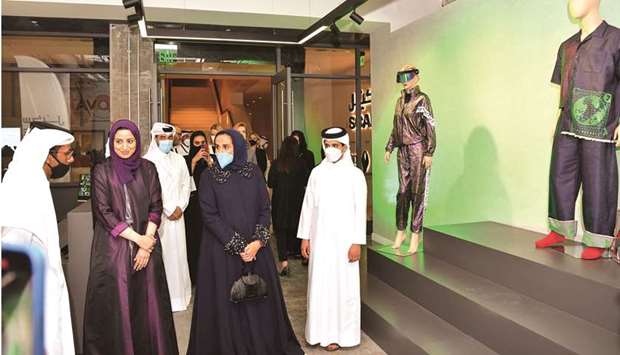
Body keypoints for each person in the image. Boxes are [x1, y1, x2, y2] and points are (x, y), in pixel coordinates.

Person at [187, 129, 302, 355]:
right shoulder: (209, 176)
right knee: (227, 304)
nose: (220, 151)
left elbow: (264, 208)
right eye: (217, 147)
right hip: (221, 253)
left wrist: (258, 242)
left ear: (237, 147)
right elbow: (209, 215)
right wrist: (239, 246)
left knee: (258, 301)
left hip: (256, 251)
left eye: (226, 147)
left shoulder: (254, 172)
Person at [83, 119, 178, 355]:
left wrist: (146, 245)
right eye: (119, 141)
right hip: (113, 252)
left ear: (137, 141)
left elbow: (156, 206)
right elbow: (103, 213)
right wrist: (139, 240)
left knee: (149, 309)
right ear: (111, 142)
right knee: (120, 310)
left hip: (147, 249)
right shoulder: (101, 171)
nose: (124, 146)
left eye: (129, 141)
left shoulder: (148, 168)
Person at [535, 0, 620, 260]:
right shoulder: (567, 46)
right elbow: (565, 89)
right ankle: (559, 230)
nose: (573, 3)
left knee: (598, 179)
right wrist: (557, 120)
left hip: (600, 124)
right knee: (560, 175)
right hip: (568, 122)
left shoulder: (616, 39)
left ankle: (597, 237)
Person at [0, 123, 76, 355]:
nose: (71, 160)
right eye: (67, 154)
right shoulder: (24, 184)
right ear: (48, 156)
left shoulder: (34, 179)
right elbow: (14, 241)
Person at [297, 127, 367, 352]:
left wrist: (357, 241)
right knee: (320, 286)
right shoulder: (316, 173)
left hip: (346, 243)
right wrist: (305, 237)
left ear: (345, 147)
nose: (331, 149)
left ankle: (342, 335)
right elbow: (308, 206)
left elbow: (360, 211)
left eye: (336, 145)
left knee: (343, 289)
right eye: (328, 145)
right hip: (320, 241)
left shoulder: (355, 175)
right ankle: (319, 333)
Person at [384, 64, 436, 254]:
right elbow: (396, 126)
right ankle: (401, 230)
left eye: (409, 77)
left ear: (416, 78)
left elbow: (430, 125)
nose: (405, 82)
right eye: (403, 78)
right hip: (403, 151)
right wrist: (389, 146)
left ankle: (415, 233)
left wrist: (429, 151)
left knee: (417, 192)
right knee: (402, 192)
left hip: (418, 149)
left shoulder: (423, 100)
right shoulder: (399, 102)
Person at [144, 122, 192, 312]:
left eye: (169, 138)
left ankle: (181, 296)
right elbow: (149, 191)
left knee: (179, 255)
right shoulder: (147, 161)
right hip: (159, 218)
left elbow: (186, 185)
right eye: (162, 138)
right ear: (155, 138)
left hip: (179, 216)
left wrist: (181, 206)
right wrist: (167, 208)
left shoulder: (179, 159)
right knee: (163, 257)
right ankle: (163, 300)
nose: (166, 141)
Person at [268, 136, 308, 276]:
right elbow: (305, 181)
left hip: (280, 202)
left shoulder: (277, 163)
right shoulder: (301, 163)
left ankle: (284, 262)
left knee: (281, 233)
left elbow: (270, 183)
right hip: (297, 201)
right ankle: (304, 255)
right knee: (299, 227)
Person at [184, 130, 212, 285]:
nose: (201, 146)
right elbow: (185, 182)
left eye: (203, 143)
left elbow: (220, 180)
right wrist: (193, 162)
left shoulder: (212, 159)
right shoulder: (186, 160)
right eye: (197, 144)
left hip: (209, 207)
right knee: (194, 241)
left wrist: (210, 162)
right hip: (193, 208)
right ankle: (194, 276)